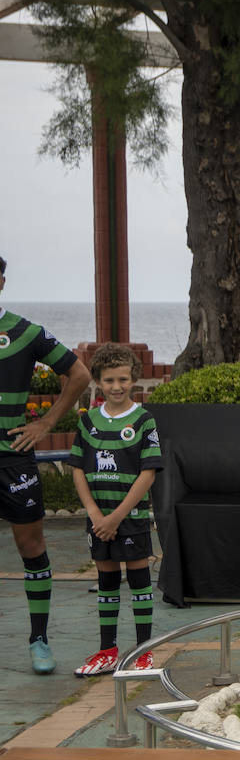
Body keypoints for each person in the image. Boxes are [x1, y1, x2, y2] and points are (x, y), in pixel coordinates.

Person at [0, 254, 93, 674]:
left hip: (12, 456)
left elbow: (79, 374)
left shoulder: (24, 332)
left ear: (1, 283)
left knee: (31, 547)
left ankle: (39, 639)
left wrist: (48, 422)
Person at [69, 343, 163, 677]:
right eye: (109, 380)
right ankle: (107, 651)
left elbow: (148, 473)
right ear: (97, 381)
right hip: (98, 520)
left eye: (123, 379)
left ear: (133, 379)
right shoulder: (89, 421)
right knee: (107, 581)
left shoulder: (143, 420)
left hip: (130, 518)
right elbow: (78, 469)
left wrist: (117, 517)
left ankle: (143, 653)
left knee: (138, 581)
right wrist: (96, 514)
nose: (117, 386)